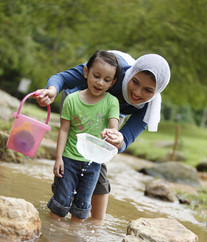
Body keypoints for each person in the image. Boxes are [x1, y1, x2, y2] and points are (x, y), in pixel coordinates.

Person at [35, 50, 171, 222]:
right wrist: (52, 91)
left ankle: (96, 223)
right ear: (127, 75)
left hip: (112, 112)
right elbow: (62, 78)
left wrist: (119, 140)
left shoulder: (148, 108)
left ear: (156, 91)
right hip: (79, 102)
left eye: (147, 90)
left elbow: (125, 139)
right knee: (73, 154)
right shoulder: (111, 71)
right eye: (134, 82)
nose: (137, 92)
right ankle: (61, 201)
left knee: (99, 156)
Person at [46, 50, 120, 222]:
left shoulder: (111, 103)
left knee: (81, 208)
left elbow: (114, 129)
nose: (100, 82)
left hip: (93, 163)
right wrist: (58, 158)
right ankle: (51, 238)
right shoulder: (72, 99)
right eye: (96, 76)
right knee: (60, 203)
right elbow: (64, 130)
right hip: (69, 160)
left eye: (107, 80)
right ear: (86, 72)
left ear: (113, 82)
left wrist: (110, 134)